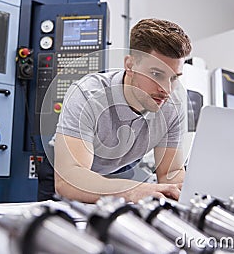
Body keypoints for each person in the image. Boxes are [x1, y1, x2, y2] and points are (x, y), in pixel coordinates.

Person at [53, 18, 192, 203]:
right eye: (156, 74)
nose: (166, 89)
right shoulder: (88, 95)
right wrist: (132, 191)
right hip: (70, 171)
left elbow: (170, 173)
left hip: (119, 173)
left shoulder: (173, 106)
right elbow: (69, 180)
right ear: (130, 65)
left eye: (174, 78)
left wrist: (185, 195)